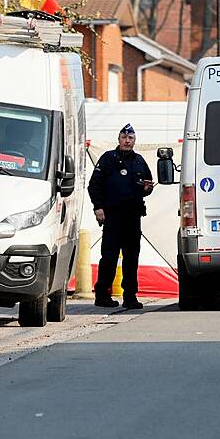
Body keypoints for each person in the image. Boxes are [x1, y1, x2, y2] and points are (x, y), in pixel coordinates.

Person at [87, 124, 154, 309]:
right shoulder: (108, 158)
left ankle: (130, 296)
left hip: (132, 217)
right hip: (112, 216)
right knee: (109, 257)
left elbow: (146, 186)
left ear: (134, 140)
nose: (127, 140)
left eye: (130, 138)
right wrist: (98, 207)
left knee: (132, 258)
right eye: (124, 137)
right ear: (118, 139)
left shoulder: (139, 161)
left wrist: (147, 189)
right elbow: (94, 185)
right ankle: (103, 295)